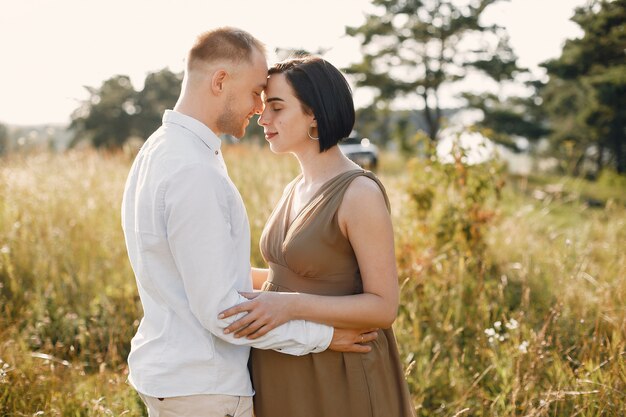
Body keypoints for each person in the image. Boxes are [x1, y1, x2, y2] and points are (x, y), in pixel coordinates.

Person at [121, 28, 377, 417]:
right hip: (205, 388)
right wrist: (324, 337)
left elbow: (208, 274)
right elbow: (223, 313)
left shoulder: (161, 149)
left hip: (179, 379)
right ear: (221, 81)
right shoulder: (194, 171)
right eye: (258, 92)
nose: (259, 108)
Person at [219, 56, 415, 417]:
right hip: (284, 361)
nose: (264, 119)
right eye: (264, 108)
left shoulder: (359, 193)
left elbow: (383, 307)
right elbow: (287, 280)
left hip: (338, 372)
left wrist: (290, 306)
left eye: (277, 107)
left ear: (314, 114)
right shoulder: (295, 187)